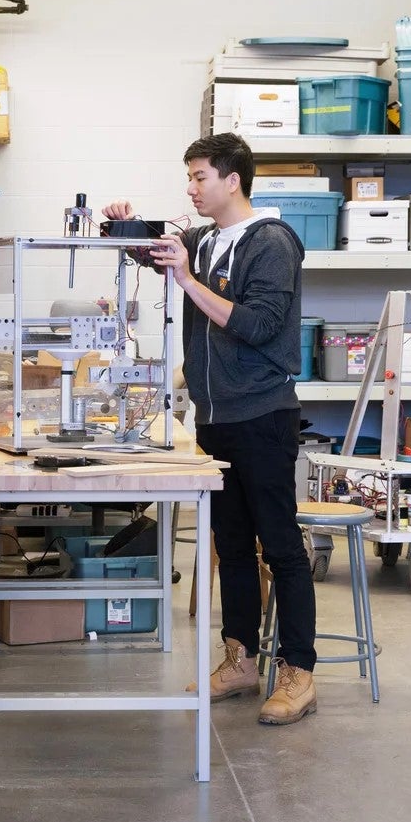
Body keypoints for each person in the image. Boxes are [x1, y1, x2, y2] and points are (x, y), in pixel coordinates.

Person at [102, 132, 317, 726]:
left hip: (263, 414)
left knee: (280, 547)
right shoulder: (205, 239)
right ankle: (241, 656)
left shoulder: (271, 242)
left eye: (199, 177)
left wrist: (188, 282)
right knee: (231, 546)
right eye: (190, 177)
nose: (191, 188)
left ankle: (300, 670)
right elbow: (152, 249)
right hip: (215, 419)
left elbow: (258, 324)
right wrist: (123, 227)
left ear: (232, 180)